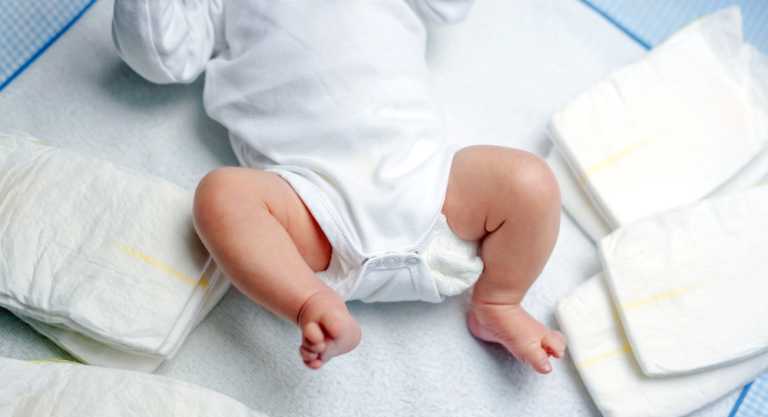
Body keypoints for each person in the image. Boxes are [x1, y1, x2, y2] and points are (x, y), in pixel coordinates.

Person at [112, 0, 565, 373]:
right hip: (314, 208)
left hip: (433, 190)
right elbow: (158, 55)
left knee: (530, 184)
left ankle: (499, 301)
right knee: (221, 197)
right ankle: (310, 301)